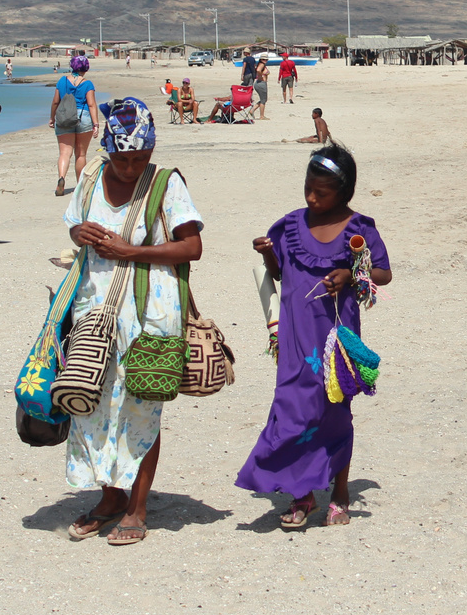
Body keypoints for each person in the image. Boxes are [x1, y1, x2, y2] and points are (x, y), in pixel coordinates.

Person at [63, 98, 204, 546]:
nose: (130, 168)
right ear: (107, 150)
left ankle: (137, 508)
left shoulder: (166, 184)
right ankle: (109, 498)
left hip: (150, 317)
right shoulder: (88, 180)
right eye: (122, 159)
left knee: (142, 408)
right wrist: (78, 233)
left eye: (139, 158)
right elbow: (72, 226)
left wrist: (132, 252)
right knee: (94, 403)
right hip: (95, 310)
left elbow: (191, 248)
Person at [239, 145, 392, 529]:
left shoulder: (359, 228)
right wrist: (268, 254)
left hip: (335, 341)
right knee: (292, 409)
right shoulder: (290, 225)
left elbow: (383, 274)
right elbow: (277, 274)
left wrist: (349, 273)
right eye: (308, 187)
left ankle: (339, 493)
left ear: (343, 193)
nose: (311, 197)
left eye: (321, 192)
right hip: (293, 338)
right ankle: (301, 494)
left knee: (334, 410)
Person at [52, 55, 98, 195]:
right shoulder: (88, 84)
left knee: (65, 153)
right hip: (83, 117)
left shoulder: (62, 81)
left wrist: (51, 118)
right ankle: (79, 186)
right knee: (81, 154)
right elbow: (91, 104)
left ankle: (61, 178)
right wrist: (95, 123)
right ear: (86, 68)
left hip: (65, 116)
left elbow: (55, 102)